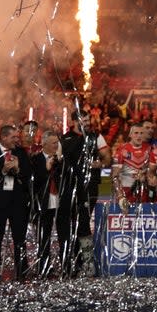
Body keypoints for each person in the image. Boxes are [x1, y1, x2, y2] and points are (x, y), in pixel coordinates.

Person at [57, 108, 110, 277]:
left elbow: (108, 158)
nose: (87, 124)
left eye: (88, 121)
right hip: (68, 189)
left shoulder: (96, 137)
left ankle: (87, 263)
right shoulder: (63, 139)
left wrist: (100, 164)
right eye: (83, 121)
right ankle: (69, 263)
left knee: (84, 225)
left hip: (90, 188)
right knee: (68, 226)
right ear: (73, 122)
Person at [0, 125, 31, 282]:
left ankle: (22, 271)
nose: (16, 140)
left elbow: (28, 176)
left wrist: (17, 170)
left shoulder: (21, 153)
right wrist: (3, 171)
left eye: (17, 137)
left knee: (20, 239)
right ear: (3, 137)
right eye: (13, 137)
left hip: (17, 202)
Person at [30, 130, 63, 277]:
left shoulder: (62, 159)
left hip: (61, 201)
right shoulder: (35, 160)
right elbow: (33, 182)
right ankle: (44, 267)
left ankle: (66, 265)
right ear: (44, 144)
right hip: (43, 203)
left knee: (64, 234)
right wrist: (46, 168)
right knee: (44, 236)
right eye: (54, 143)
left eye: (57, 142)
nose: (57, 145)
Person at [111, 123, 155, 209]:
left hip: (144, 190)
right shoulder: (121, 150)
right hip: (126, 191)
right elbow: (114, 176)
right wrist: (120, 196)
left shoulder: (150, 149)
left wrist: (146, 177)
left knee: (144, 220)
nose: (139, 136)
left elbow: (153, 172)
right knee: (126, 220)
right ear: (130, 135)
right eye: (136, 133)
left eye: (141, 133)